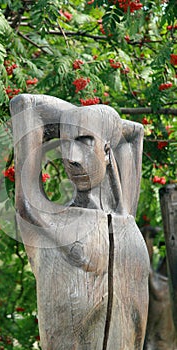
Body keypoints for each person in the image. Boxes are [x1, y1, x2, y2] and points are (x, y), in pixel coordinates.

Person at [11, 94, 150, 350]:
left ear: (108, 151)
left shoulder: (125, 222)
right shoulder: (46, 224)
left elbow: (133, 134)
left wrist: (97, 120)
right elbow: (26, 105)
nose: (72, 158)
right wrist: (83, 119)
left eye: (85, 142)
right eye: (65, 144)